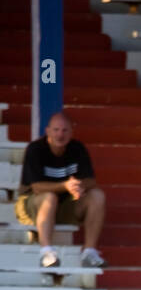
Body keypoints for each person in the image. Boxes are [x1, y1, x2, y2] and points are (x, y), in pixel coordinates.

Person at [19, 113, 107, 269]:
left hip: (65, 205)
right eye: (56, 130)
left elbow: (91, 180)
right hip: (34, 204)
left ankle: (89, 252)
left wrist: (78, 186)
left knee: (97, 195)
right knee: (49, 197)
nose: (60, 134)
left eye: (65, 130)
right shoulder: (35, 149)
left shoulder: (78, 148)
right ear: (47, 131)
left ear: (71, 132)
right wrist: (65, 185)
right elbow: (37, 187)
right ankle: (46, 252)